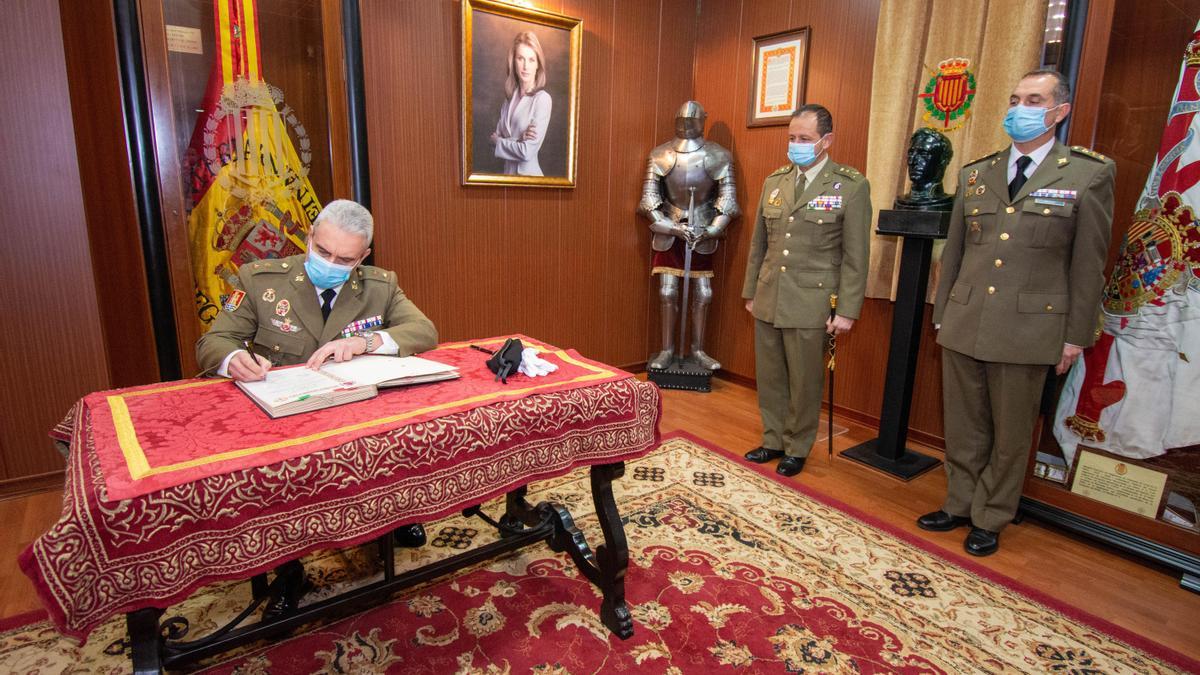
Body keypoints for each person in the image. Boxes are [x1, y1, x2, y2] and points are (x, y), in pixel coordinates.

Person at [196, 199, 438, 617]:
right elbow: (212, 342)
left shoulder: (379, 286)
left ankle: (394, 517)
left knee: (399, 438)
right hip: (285, 418)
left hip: (354, 412)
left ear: (362, 257)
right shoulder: (259, 281)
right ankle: (287, 569)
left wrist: (363, 342)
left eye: (344, 258)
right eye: (323, 251)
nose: (330, 262)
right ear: (309, 237)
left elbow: (424, 330)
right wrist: (233, 360)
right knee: (274, 476)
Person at [921, 70, 1116, 556]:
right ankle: (960, 502)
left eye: (1034, 99)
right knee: (964, 424)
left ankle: (991, 515)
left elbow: (1088, 265)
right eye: (1015, 98)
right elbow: (957, 253)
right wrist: (943, 313)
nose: (1020, 108)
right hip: (966, 319)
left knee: (1010, 432)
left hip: (1030, 327)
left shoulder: (1087, 174)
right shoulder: (976, 172)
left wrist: (1074, 337)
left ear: (1059, 112)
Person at [741, 104, 872, 476]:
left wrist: (846, 310)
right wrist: (751, 291)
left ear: (826, 140)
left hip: (812, 300)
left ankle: (797, 446)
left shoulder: (849, 185)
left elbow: (855, 255)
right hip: (770, 294)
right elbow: (759, 245)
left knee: (804, 379)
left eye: (805, 139)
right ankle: (773, 440)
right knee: (770, 376)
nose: (796, 145)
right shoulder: (775, 181)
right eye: (792, 138)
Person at [638, 100, 739, 371]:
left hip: (702, 230)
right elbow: (648, 199)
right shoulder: (660, 154)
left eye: (692, 120)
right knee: (668, 290)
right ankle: (667, 350)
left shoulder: (719, 155)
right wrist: (671, 227)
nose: (686, 124)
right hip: (669, 228)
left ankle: (697, 350)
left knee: (704, 293)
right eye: (681, 120)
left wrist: (712, 229)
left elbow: (728, 201)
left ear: (703, 121)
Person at [490, 31, 552, 176]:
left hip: (531, 182)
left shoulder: (542, 100)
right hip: (507, 181)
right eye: (520, 58)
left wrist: (499, 142)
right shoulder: (508, 101)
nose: (525, 66)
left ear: (538, 64)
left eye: (531, 60)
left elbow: (526, 152)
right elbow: (491, 146)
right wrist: (519, 139)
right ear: (513, 61)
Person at [896, 127, 954, 210]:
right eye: (911, 153)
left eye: (923, 154)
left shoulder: (949, 203)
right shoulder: (900, 202)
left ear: (944, 159)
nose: (912, 161)